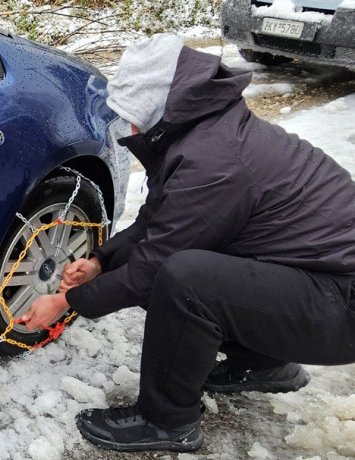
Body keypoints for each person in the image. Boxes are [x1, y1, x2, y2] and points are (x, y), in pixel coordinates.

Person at [19, 33, 355, 452]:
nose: (132, 128)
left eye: (135, 116)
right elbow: (159, 223)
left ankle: (166, 422)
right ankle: (265, 364)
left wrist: (68, 301)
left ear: (162, 108)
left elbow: (155, 265)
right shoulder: (206, 131)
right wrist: (102, 261)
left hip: (341, 305)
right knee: (184, 265)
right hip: (317, 282)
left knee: (184, 280)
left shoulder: (214, 162)